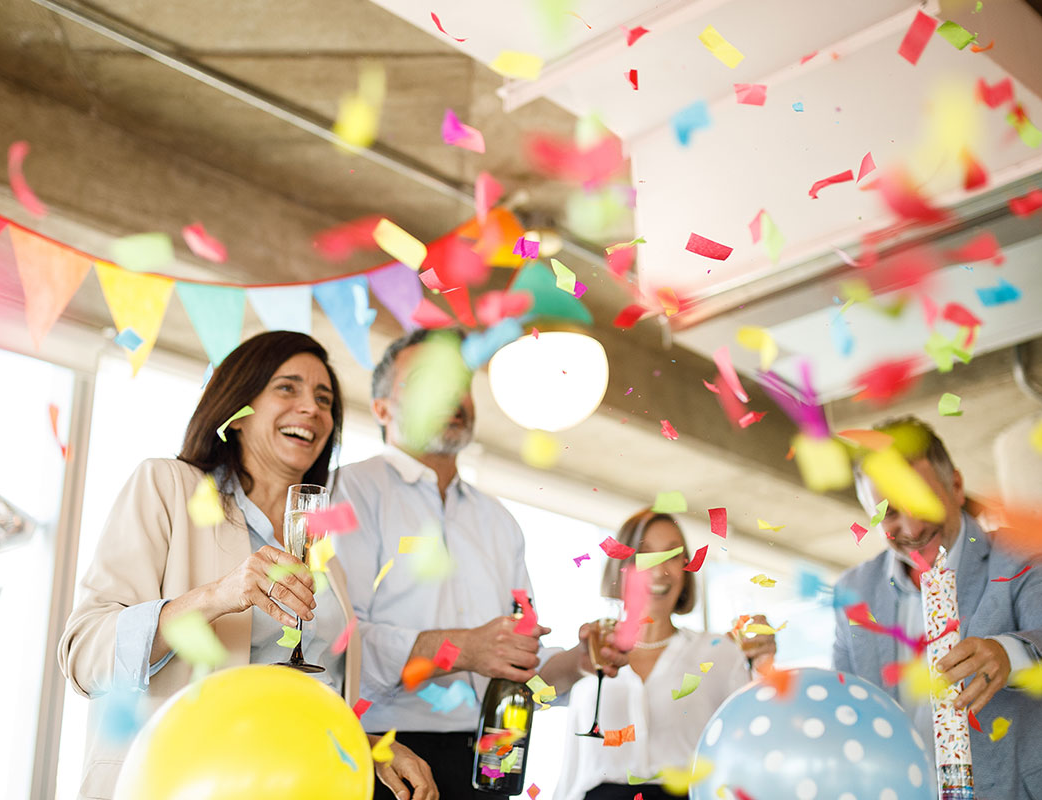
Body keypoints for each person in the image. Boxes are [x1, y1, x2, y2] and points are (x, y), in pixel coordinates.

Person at [58, 331, 436, 800]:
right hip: (175, 784)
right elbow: (83, 656)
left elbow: (295, 699)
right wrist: (217, 596)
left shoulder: (327, 559)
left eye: (324, 399)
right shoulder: (167, 486)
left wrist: (366, 745)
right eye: (287, 388)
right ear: (236, 412)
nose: (313, 408)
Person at [332, 328, 631, 800]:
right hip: (384, 758)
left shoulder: (499, 521)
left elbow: (515, 665)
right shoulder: (348, 492)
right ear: (382, 409)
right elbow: (339, 644)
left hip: (494, 758)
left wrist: (580, 660)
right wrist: (463, 648)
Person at [833, 416, 1042, 800]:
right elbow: (846, 706)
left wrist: (1010, 655)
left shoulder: (1020, 552)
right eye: (889, 512)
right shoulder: (853, 591)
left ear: (956, 486)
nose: (911, 529)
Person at [553, 510, 776, 800]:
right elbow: (571, 771)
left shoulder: (719, 653)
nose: (660, 570)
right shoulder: (590, 655)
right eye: (645, 556)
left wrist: (763, 665)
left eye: (672, 555)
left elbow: (752, 739)